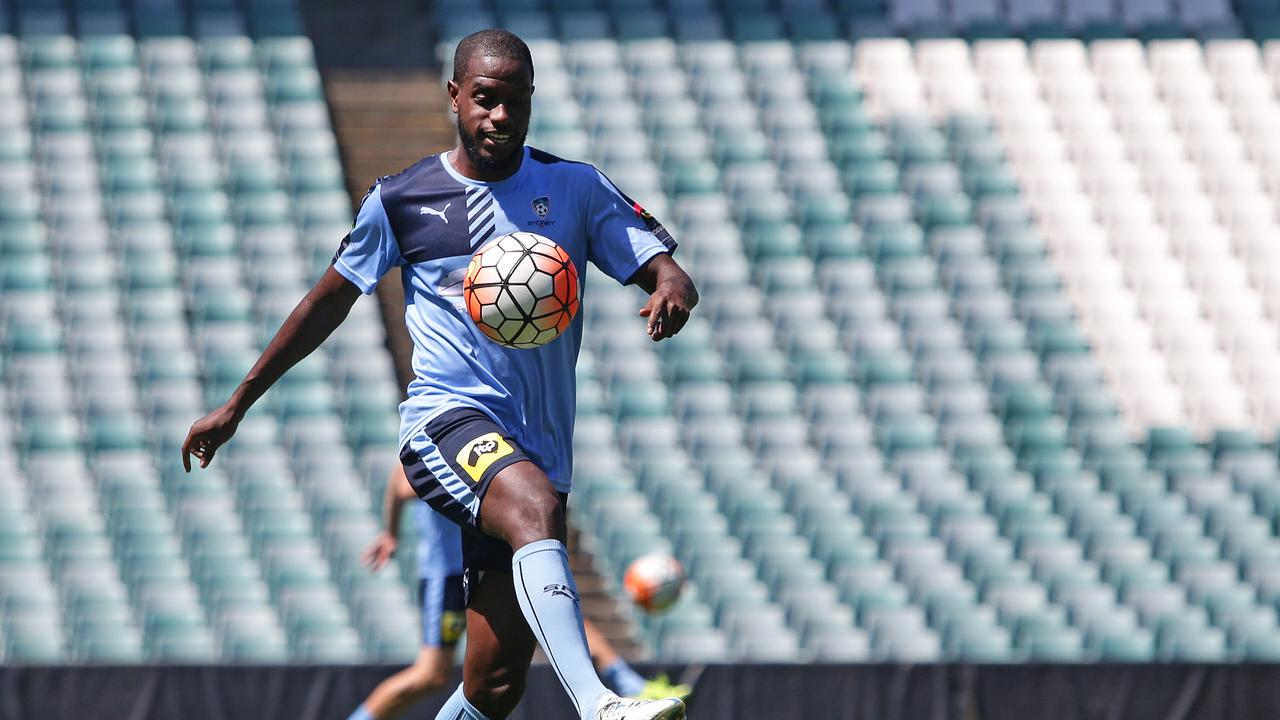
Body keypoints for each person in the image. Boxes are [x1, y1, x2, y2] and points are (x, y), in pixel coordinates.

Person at [182, 27, 698, 720]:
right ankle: (598, 704)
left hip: (540, 445)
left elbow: (664, 267)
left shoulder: (574, 188)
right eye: (485, 99)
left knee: (493, 684)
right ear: (455, 96)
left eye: (516, 101)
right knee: (534, 507)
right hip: (445, 422)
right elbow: (325, 301)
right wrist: (237, 404)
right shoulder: (403, 200)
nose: (500, 116)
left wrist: (670, 286)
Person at [346, 465, 691, 720]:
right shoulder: (445, 435)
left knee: (553, 614)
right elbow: (402, 481)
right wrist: (391, 533)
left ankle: (621, 686)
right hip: (447, 572)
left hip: (489, 556)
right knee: (431, 674)